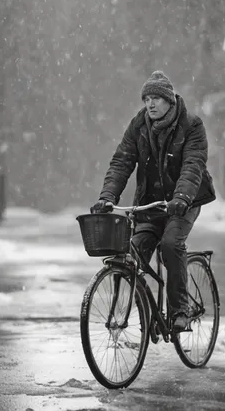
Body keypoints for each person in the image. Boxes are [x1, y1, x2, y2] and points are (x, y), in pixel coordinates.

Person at [91, 70, 216, 332]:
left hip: (185, 201)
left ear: (169, 100)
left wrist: (181, 197)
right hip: (150, 204)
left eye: (156, 98)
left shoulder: (191, 125)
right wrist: (107, 197)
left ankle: (180, 310)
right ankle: (148, 311)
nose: (150, 103)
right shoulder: (139, 125)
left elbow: (193, 166)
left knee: (170, 244)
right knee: (130, 253)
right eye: (146, 98)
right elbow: (122, 162)